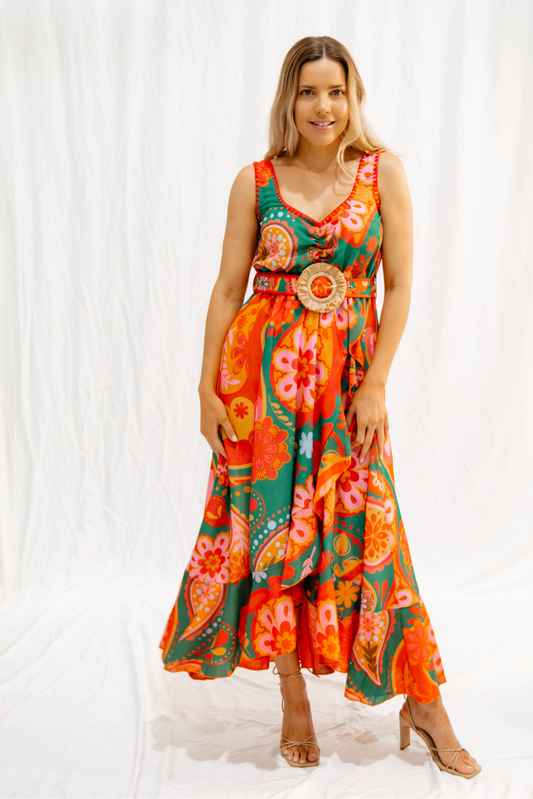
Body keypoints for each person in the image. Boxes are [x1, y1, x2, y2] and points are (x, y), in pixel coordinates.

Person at [159, 35, 481, 779]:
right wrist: (205, 388)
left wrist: (376, 384)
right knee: (274, 535)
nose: (323, 105)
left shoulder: (381, 172)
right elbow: (226, 288)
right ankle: (292, 694)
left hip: (349, 388)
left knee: (373, 533)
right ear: (288, 99)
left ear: (352, 97)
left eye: (336, 91)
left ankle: (424, 701)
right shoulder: (254, 182)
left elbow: (399, 285)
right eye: (308, 91)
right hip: (262, 392)